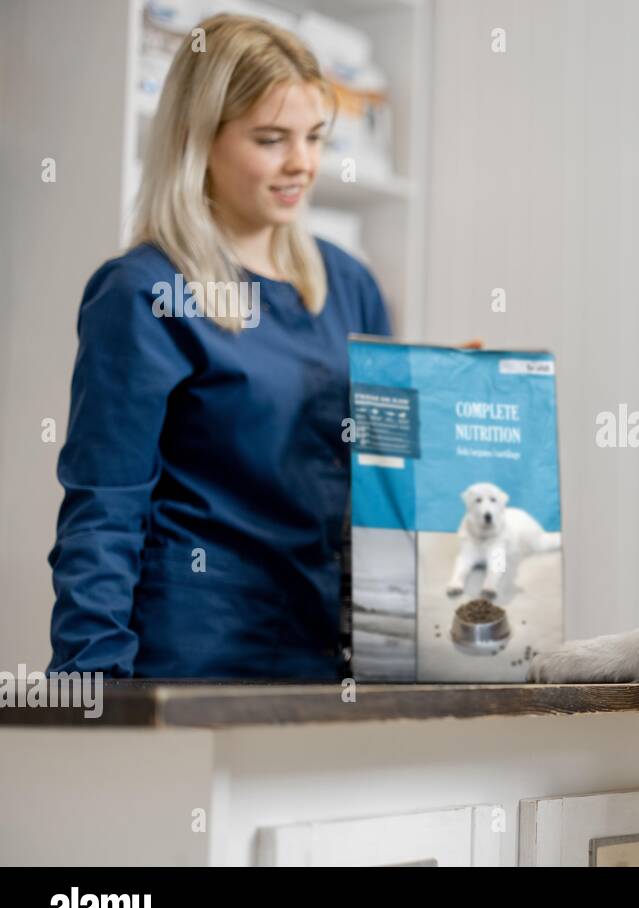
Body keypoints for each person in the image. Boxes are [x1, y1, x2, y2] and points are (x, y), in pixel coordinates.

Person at [47, 14, 390, 679]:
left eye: (315, 137)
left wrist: (438, 400)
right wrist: (92, 698)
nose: (303, 163)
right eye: (271, 139)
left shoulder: (349, 288)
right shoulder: (143, 294)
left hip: (324, 660)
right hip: (190, 664)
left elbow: (379, 491)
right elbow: (104, 511)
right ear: (199, 140)